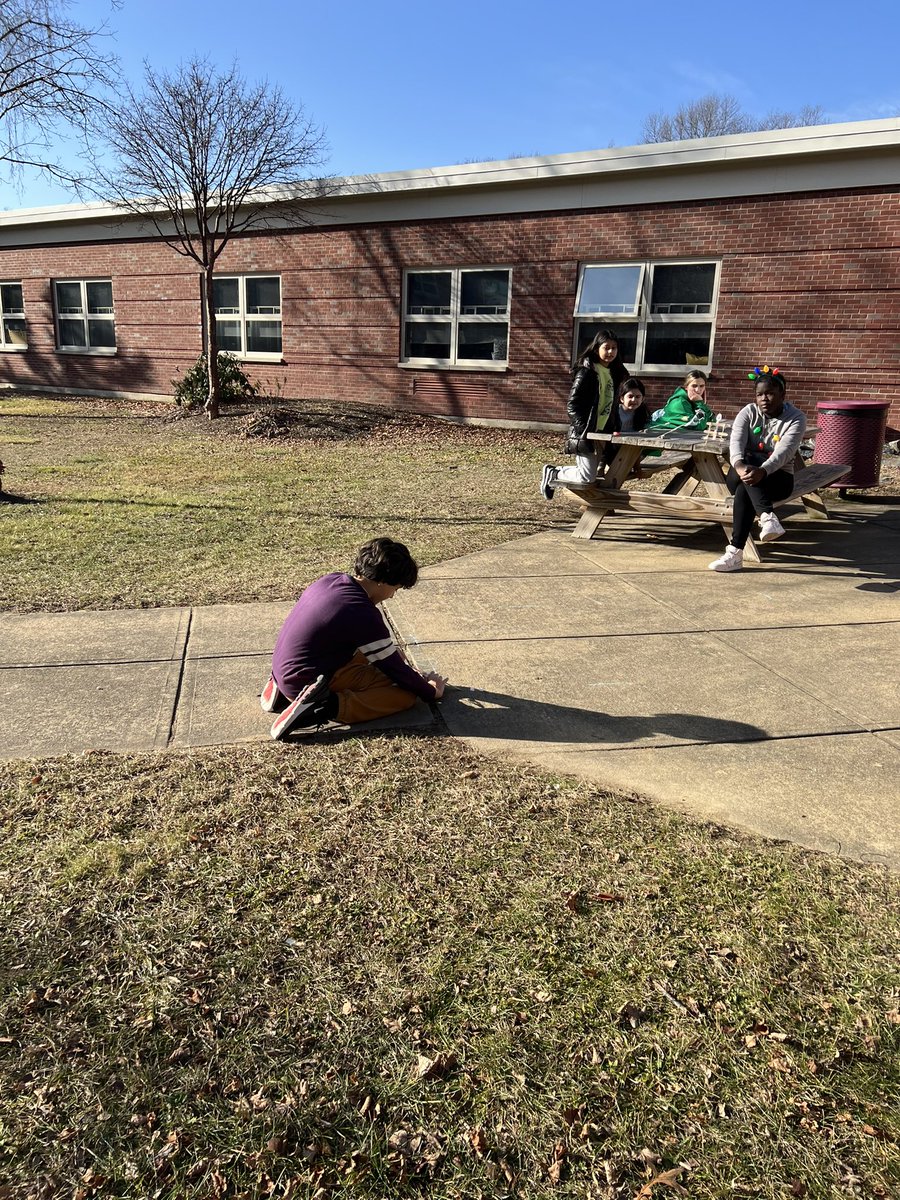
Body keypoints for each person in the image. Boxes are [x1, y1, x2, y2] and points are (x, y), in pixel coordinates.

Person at [261, 537, 448, 739]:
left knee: (369, 658)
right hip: (308, 681)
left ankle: (282, 688)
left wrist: (394, 656)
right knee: (405, 695)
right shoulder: (361, 611)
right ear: (382, 581)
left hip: (285, 669)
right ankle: (324, 706)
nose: (392, 595)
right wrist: (431, 692)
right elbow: (394, 669)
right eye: (395, 588)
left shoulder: (331, 580)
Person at [709, 368, 806, 573]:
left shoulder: (796, 418)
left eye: (770, 393)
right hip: (740, 473)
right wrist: (739, 465)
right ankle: (768, 517)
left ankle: (735, 553)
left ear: (783, 395)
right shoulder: (748, 412)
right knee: (748, 462)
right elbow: (735, 442)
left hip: (778, 479)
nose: (764, 399)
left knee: (746, 490)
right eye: (759, 394)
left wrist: (763, 470)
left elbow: (785, 453)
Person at [540, 330, 628, 499]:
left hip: (604, 434)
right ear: (596, 349)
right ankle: (554, 472)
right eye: (606, 347)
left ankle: (600, 504)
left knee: (606, 473)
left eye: (614, 348)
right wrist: (584, 430)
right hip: (586, 432)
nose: (610, 352)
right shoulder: (587, 371)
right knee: (587, 477)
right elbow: (572, 405)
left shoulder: (615, 373)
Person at [602, 376, 649, 468]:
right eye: (630, 396)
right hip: (613, 449)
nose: (634, 400)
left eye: (638, 397)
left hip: (632, 449)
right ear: (622, 398)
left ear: (642, 398)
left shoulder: (643, 413)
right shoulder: (614, 412)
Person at [649, 369, 713, 432]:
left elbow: (712, 421)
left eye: (701, 386)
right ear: (686, 387)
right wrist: (700, 403)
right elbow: (697, 425)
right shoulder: (679, 402)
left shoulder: (694, 400)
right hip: (653, 435)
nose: (698, 390)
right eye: (694, 386)